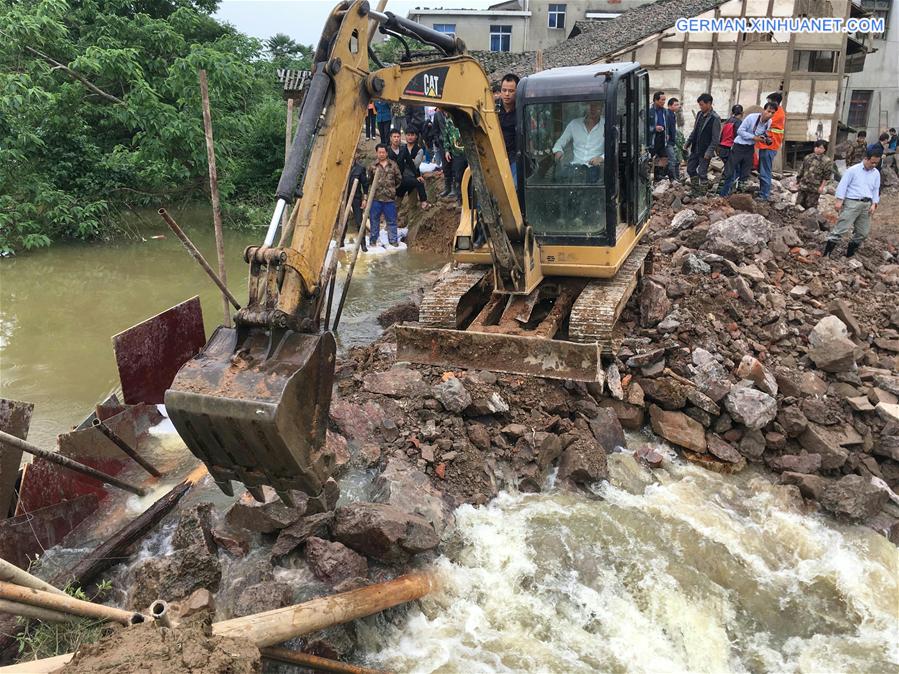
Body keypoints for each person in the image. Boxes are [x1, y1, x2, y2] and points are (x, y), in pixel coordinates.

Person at [823, 148, 880, 257]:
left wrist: (874, 204)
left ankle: (849, 255)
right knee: (841, 229)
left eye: (876, 163)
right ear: (866, 159)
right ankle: (826, 255)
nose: (874, 165)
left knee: (863, 232)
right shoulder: (853, 170)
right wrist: (839, 201)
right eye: (872, 162)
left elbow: (876, 189)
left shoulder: (876, 173)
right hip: (852, 203)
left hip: (866, 205)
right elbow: (843, 185)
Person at [718, 102, 778, 197]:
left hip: (749, 149)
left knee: (745, 174)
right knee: (729, 172)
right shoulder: (751, 118)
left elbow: (764, 133)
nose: (769, 114)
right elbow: (740, 131)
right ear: (763, 110)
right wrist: (754, 138)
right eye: (768, 111)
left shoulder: (769, 122)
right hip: (739, 147)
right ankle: (721, 195)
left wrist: (764, 138)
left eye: (772, 113)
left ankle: (739, 197)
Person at [552, 101, 605, 183]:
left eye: (596, 105)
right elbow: (560, 142)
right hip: (575, 168)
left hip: (596, 169)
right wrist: (558, 150)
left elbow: (613, 148)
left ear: (602, 107)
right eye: (590, 105)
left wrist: (601, 158)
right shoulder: (574, 124)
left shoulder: (607, 124)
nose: (592, 108)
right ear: (585, 106)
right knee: (558, 181)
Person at [683, 93, 721, 195]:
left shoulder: (715, 118)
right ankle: (695, 190)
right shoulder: (699, 114)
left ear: (709, 104)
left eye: (702, 104)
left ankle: (702, 195)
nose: (701, 107)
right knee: (690, 169)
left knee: (702, 173)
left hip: (705, 150)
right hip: (696, 148)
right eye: (700, 105)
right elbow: (694, 131)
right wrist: (687, 143)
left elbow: (715, 139)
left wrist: (709, 152)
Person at [365, 144, 402, 247]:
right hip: (376, 198)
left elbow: (398, 179)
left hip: (389, 199)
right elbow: (369, 181)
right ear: (377, 153)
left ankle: (393, 241)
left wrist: (392, 189)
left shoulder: (393, 165)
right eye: (379, 152)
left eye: (383, 152)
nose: (381, 154)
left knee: (391, 220)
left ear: (386, 153)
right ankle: (373, 241)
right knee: (374, 220)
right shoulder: (372, 166)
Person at [755, 92, 785, 202]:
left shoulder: (777, 113)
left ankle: (764, 195)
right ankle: (763, 192)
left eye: (769, 102)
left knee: (765, 171)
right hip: (767, 144)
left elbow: (763, 119)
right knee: (763, 169)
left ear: (774, 102)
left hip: (770, 145)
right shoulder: (778, 112)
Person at [396, 128, 430, 210]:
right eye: (408, 135)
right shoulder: (401, 148)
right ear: (405, 136)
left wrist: (406, 160)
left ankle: (411, 219)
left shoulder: (419, 150)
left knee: (413, 204)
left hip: (413, 177)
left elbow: (415, 164)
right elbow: (397, 163)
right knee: (396, 203)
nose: (410, 137)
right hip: (401, 178)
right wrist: (410, 160)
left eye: (412, 135)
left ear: (416, 136)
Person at [341, 152, 368, 251]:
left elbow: (365, 184)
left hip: (356, 197)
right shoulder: (342, 167)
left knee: (359, 220)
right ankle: (341, 241)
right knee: (343, 220)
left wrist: (365, 199)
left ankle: (363, 243)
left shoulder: (360, 168)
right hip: (344, 197)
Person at [796, 140, 833, 210]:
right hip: (803, 185)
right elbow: (801, 170)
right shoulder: (808, 157)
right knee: (798, 204)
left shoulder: (827, 161)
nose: (818, 149)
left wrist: (821, 187)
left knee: (810, 207)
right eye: (817, 147)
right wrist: (798, 181)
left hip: (814, 188)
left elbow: (827, 176)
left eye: (821, 148)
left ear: (825, 149)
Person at [497, 73, 519, 185]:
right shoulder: (492, 109)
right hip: (497, 155)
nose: (506, 94)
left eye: (511, 91)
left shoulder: (522, 110)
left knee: (513, 187)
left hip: (515, 155)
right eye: (504, 90)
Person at [442, 113, 468, 203]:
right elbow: (446, 136)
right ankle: (460, 198)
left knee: (471, 175)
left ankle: (472, 199)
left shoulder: (467, 117)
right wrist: (446, 150)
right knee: (458, 176)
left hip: (470, 152)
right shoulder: (448, 122)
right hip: (457, 153)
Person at [649, 91, 670, 181]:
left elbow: (667, 124)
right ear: (655, 100)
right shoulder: (649, 111)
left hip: (662, 136)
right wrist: (654, 128)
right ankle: (647, 175)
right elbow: (643, 125)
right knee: (650, 157)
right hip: (652, 137)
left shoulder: (665, 111)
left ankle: (658, 176)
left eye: (664, 100)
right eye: (662, 100)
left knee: (664, 156)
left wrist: (667, 133)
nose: (664, 102)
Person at [718, 104, 743, 172]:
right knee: (733, 171)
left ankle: (724, 180)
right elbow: (738, 138)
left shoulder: (727, 121)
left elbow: (721, 136)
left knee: (728, 169)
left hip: (722, 149)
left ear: (732, 113)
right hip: (731, 149)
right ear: (742, 113)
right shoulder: (739, 123)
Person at [666, 98, 681, 180]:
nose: (678, 106)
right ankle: (673, 179)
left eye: (678, 104)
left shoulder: (673, 114)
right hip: (668, 142)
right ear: (670, 106)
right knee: (672, 160)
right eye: (676, 105)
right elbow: (666, 128)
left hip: (672, 142)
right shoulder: (667, 114)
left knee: (676, 160)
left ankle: (677, 178)